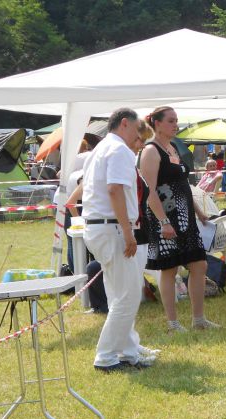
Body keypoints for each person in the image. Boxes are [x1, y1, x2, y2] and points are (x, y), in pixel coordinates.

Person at [81, 108, 151, 372]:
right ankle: (107, 356)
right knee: (128, 296)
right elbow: (114, 190)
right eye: (135, 130)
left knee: (118, 294)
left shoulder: (98, 150)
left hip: (100, 229)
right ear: (124, 124)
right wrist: (128, 231)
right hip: (113, 229)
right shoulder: (119, 150)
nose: (137, 136)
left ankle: (126, 350)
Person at [140, 106, 220, 333]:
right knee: (170, 270)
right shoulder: (150, 151)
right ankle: (173, 324)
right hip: (164, 219)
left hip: (186, 218)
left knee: (200, 264)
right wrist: (164, 222)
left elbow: (183, 187)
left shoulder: (173, 147)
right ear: (156, 123)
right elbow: (150, 192)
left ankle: (199, 320)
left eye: (176, 121)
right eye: (171, 121)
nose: (175, 125)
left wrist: (198, 211)